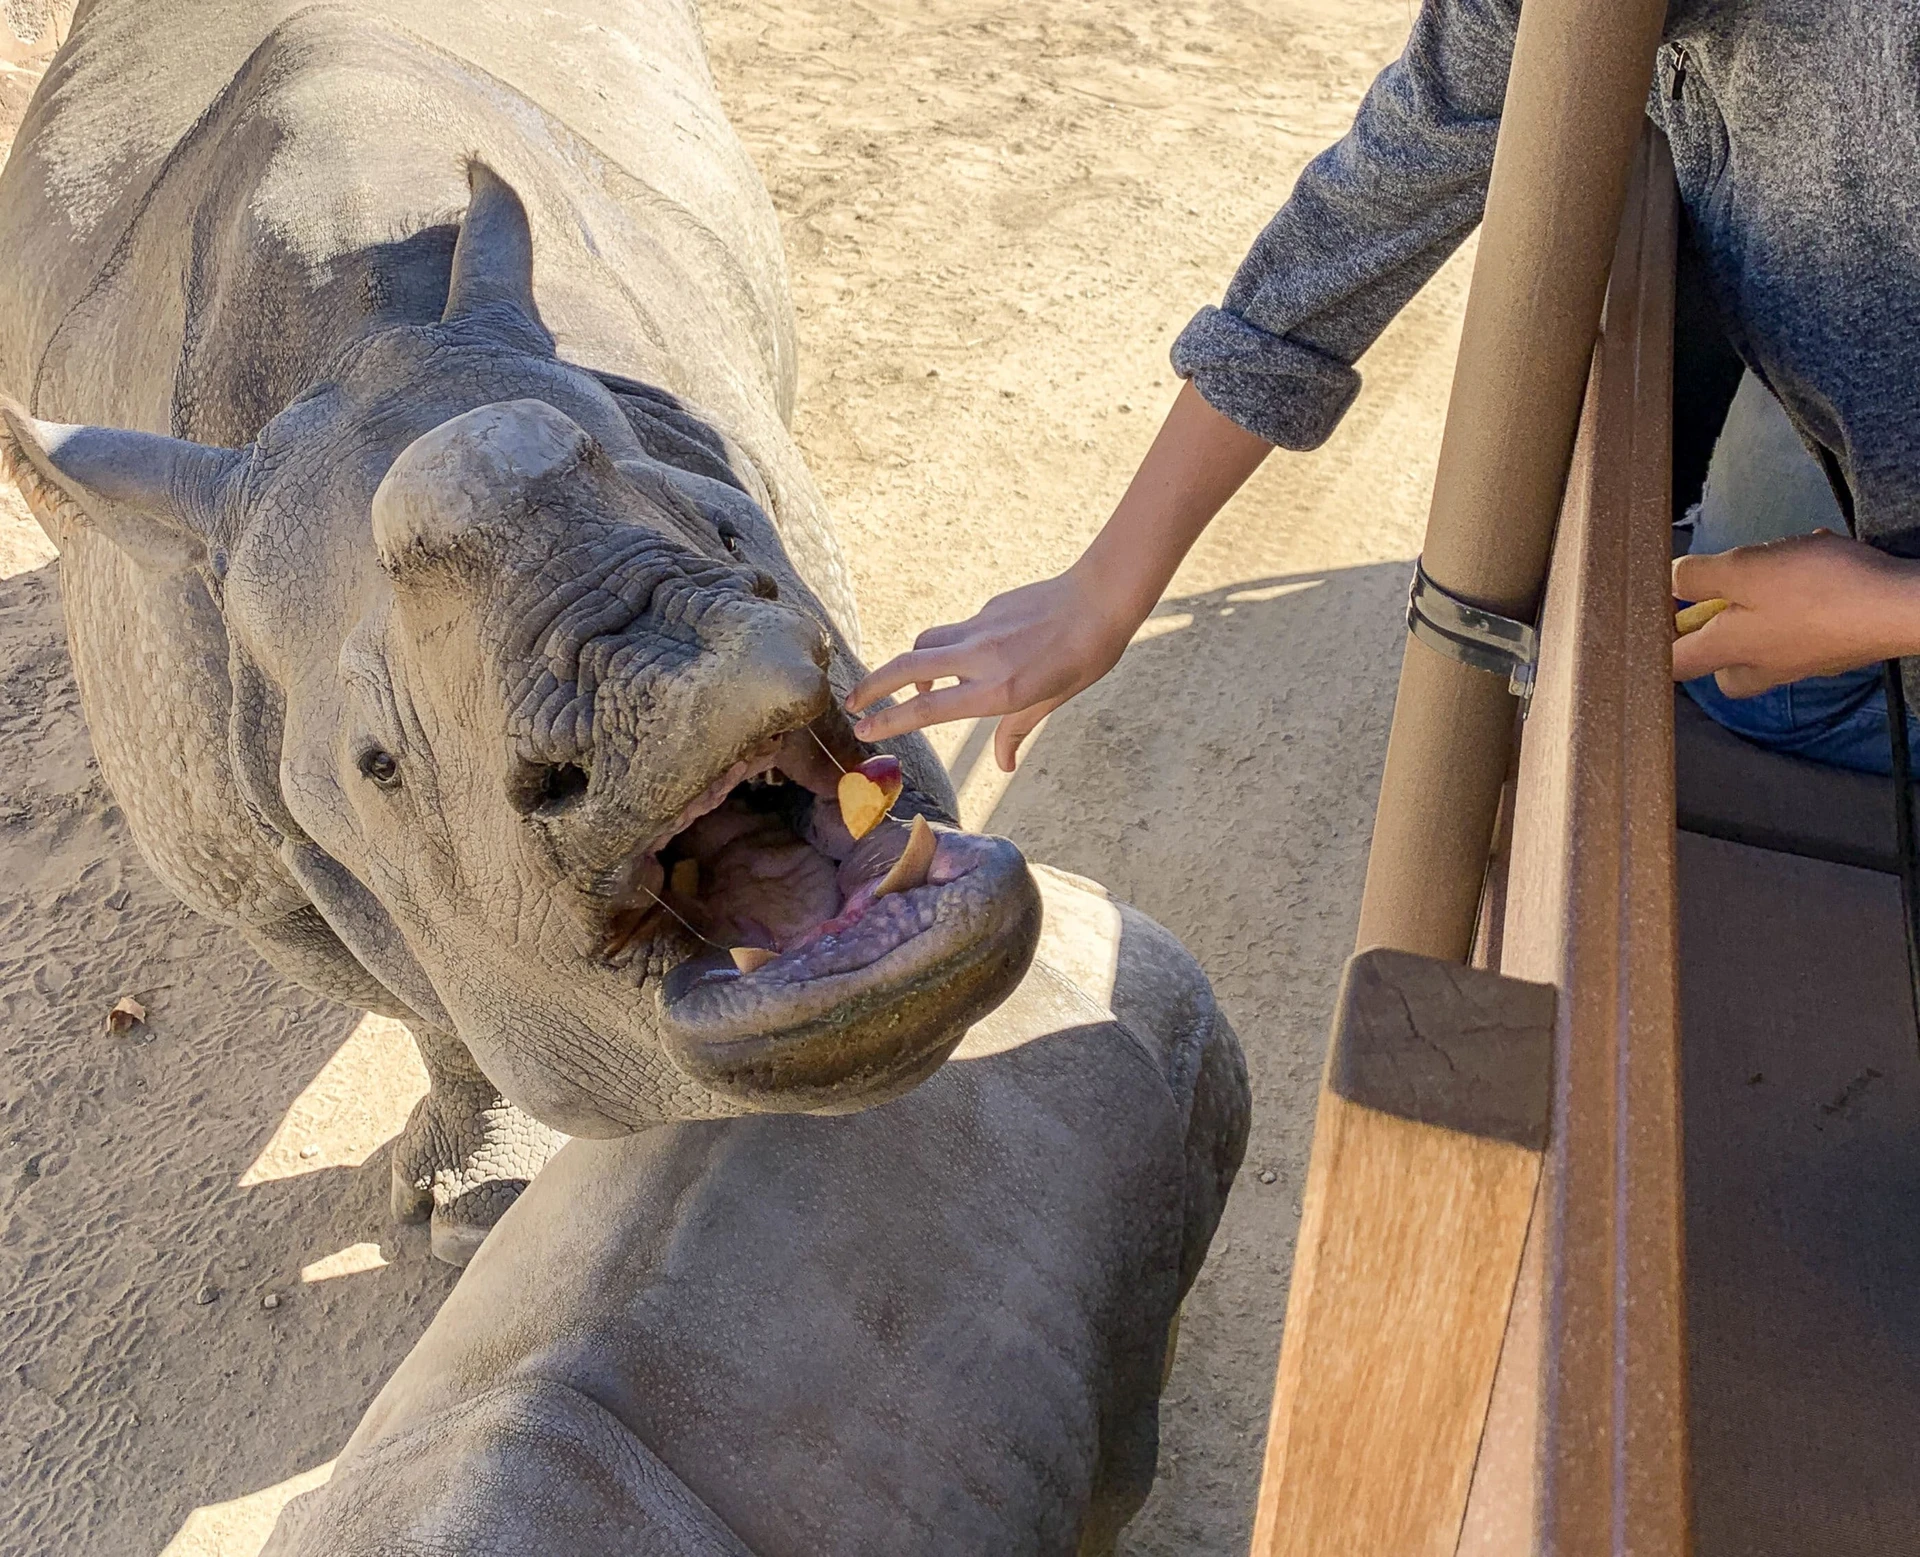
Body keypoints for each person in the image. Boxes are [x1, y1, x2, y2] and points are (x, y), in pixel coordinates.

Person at [845, 2, 1920, 775]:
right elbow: (1376, 197)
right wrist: (1108, 582)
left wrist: (1888, 611)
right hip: (1837, 397)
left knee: (1784, 708)